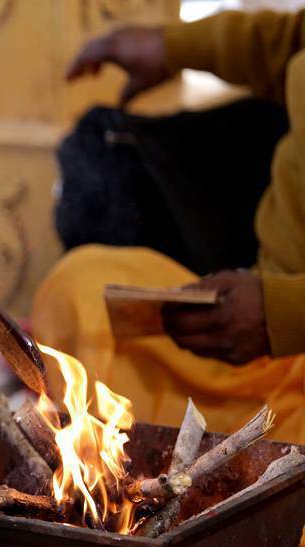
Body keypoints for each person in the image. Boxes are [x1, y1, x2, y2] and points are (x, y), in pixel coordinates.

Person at [32, 10, 305, 442]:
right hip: (265, 331)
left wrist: (282, 314)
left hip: (292, 337)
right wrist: (169, 48)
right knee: (80, 291)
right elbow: (292, 40)